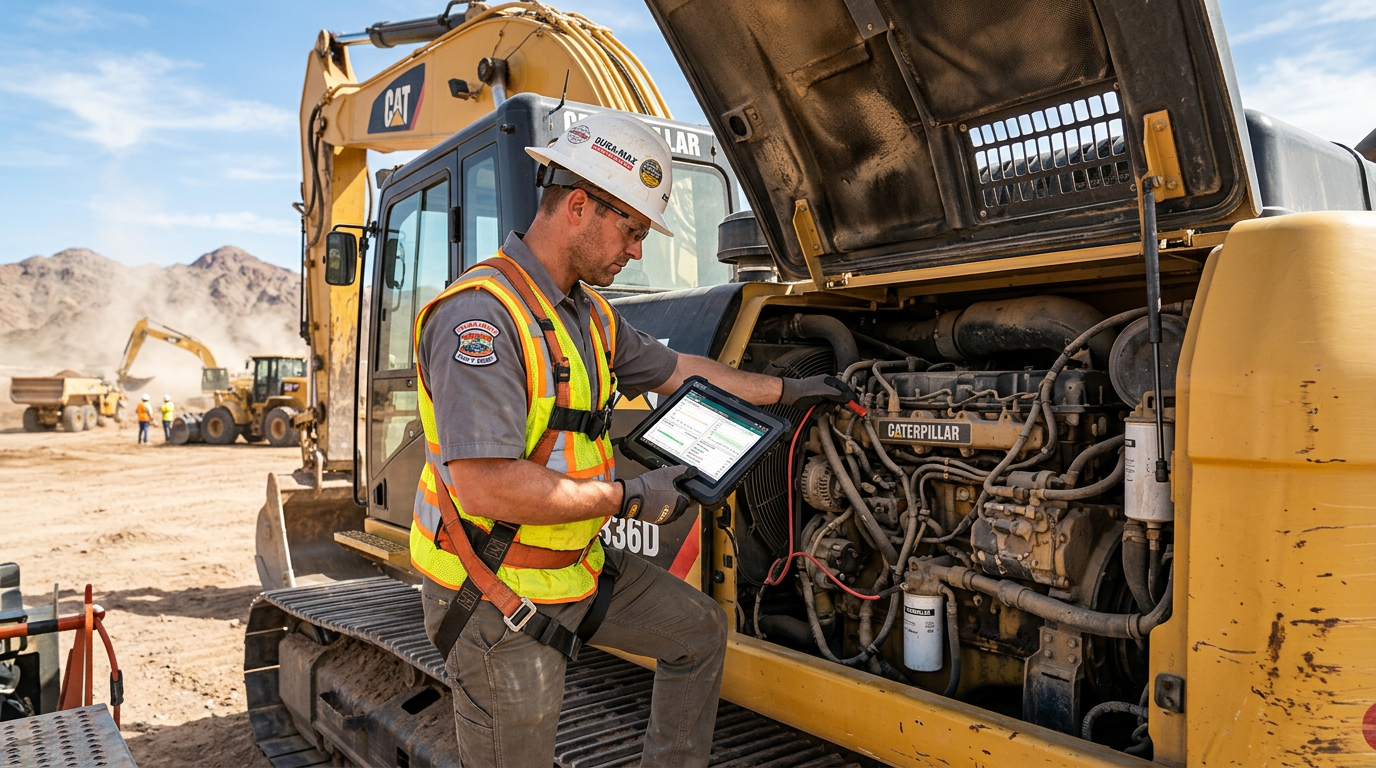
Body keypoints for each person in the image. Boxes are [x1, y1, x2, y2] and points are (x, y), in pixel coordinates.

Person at [411, 112, 853, 767]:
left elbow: (680, 371)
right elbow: (485, 484)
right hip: (493, 591)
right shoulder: (481, 318)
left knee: (698, 631)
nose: (638, 250)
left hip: (572, 565)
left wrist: (785, 393)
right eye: (633, 229)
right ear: (580, 206)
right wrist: (627, 497)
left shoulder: (589, 316)